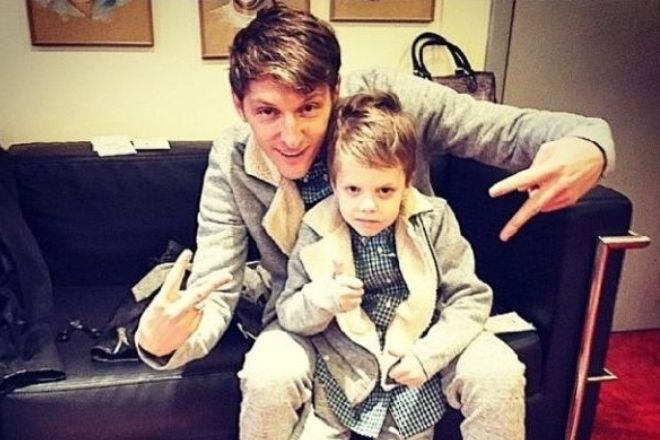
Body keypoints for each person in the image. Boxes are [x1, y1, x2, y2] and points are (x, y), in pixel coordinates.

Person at [135, 4, 614, 439]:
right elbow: (214, 287)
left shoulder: (391, 103)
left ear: (335, 91)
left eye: (309, 107)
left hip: (424, 314)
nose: (291, 135)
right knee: (268, 373)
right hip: (311, 322)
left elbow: (505, 130)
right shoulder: (233, 160)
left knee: (497, 373)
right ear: (239, 105)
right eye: (267, 112)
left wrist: (589, 143)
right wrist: (161, 342)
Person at [276, 90, 521, 439]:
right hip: (342, 372)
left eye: (385, 191)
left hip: (414, 365)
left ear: (406, 183)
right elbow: (288, 312)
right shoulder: (316, 226)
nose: (368, 206)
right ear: (333, 183)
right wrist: (320, 300)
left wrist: (428, 356)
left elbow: (470, 298)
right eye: (353, 189)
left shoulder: (433, 218)